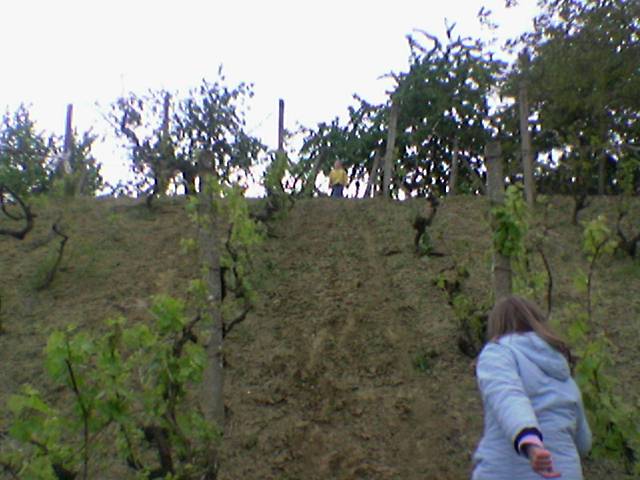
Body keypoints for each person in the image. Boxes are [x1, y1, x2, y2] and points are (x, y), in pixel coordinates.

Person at [472, 295, 591, 480]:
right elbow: (583, 443)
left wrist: (531, 442)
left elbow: (508, 397)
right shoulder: (564, 376)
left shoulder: (497, 353)